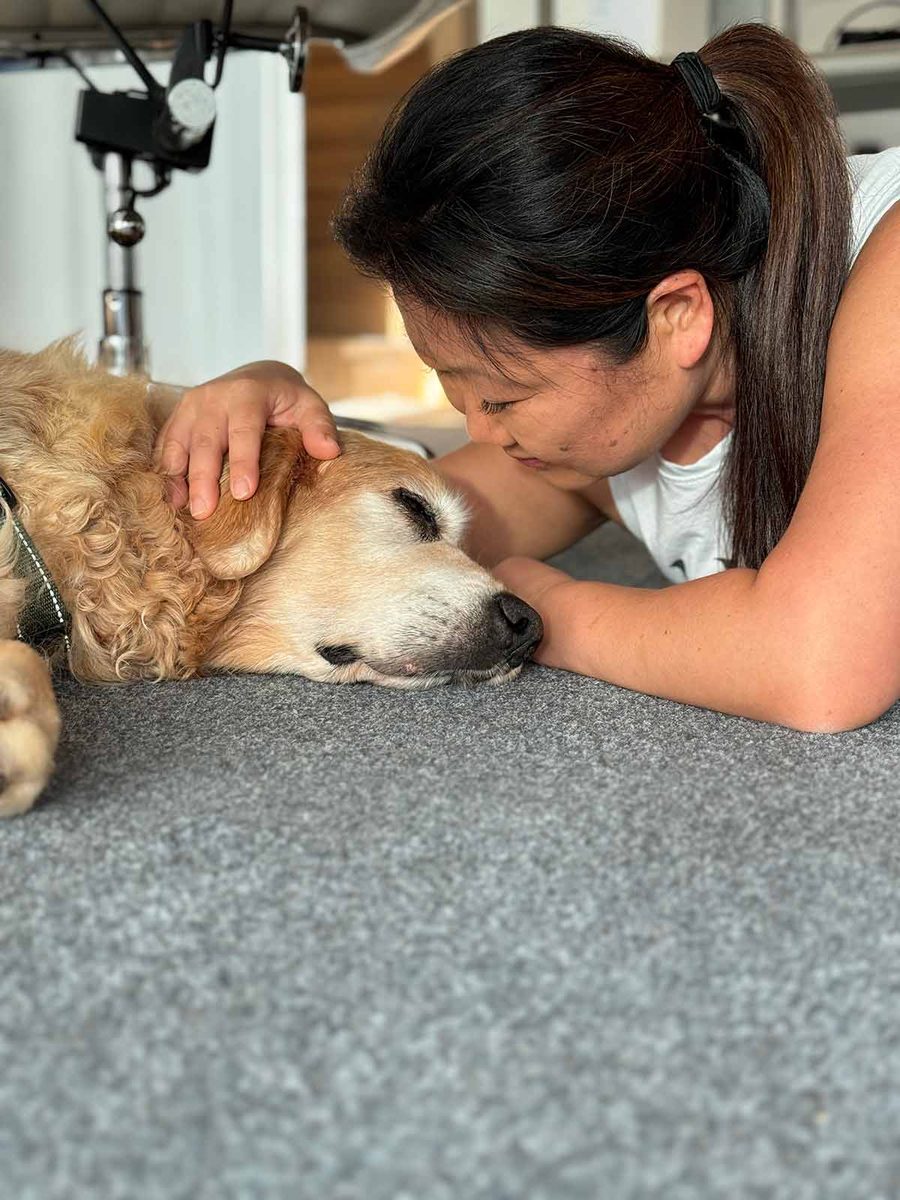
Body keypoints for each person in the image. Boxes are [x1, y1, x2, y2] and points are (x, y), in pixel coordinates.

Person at [154, 22, 900, 733]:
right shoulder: (604, 435)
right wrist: (268, 423)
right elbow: (389, 542)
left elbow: (819, 665)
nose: (480, 432)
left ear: (677, 316)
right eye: (454, 391)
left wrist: (550, 608)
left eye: (503, 397)